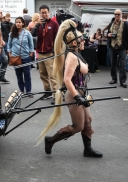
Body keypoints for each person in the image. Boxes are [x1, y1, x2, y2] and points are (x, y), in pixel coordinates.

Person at [38, 19, 103, 158]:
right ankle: (50, 140)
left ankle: (88, 149)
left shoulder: (76, 53)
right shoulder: (72, 57)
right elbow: (67, 80)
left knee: (88, 120)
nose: (84, 41)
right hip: (74, 94)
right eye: (81, 39)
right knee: (78, 126)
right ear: (74, 42)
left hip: (81, 92)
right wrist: (77, 97)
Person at [31, 5, 59, 104]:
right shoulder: (38, 24)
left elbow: (57, 39)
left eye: (45, 12)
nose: (44, 14)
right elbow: (33, 35)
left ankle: (56, 95)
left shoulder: (54, 23)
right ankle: (47, 92)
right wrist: (37, 25)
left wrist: (55, 52)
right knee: (43, 75)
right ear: (40, 13)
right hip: (40, 53)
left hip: (49, 53)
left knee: (52, 75)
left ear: (49, 12)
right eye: (42, 13)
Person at [7, 17, 34, 95]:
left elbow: (31, 44)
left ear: (23, 23)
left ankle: (28, 91)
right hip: (15, 57)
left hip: (25, 57)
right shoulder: (12, 34)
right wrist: (10, 53)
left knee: (27, 75)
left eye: (19, 22)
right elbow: (9, 45)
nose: (18, 24)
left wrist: (30, 53)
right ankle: (21, 90)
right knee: (19, 75)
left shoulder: (27, 33)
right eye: (16, 22)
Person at [108, 9, 128, 88]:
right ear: (114, 15)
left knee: (122, 65)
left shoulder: (125, 24)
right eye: (115, 14)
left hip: (122, 47)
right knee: (113, 64)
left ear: (121, 15)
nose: (117, 16)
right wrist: (108, 35)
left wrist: (127, 48)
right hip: (113, 47)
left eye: (118, 14)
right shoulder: (111, 24)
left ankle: (122, 81)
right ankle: (114, 78)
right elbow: (108, 34)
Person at [0, 9, 10, 83]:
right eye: (0, 13)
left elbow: (0, 33)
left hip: (0, 44)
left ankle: (1, 76)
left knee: (4, 60)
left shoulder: (0, 22)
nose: (2, 14)